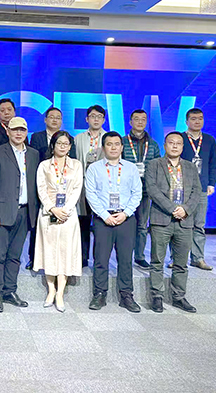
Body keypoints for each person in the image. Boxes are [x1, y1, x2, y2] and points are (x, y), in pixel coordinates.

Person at [0, 117, 39, 313]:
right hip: (1, 213)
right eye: (14, 129)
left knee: (15, 256)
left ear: (26, 132)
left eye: (22, 130)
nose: (18, 133)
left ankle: (10, 291)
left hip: (25, 212)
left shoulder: (33, 154)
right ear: (7, 131)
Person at [85, 131, 142, 313]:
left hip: (126, 218)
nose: (113, 147)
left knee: (125, 259)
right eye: (109, 144)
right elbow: (91, 194)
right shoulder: (94, 168)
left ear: (122, 147)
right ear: (103, 148)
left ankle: (126, 295)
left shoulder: (131, 168)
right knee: (101, 258)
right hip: (103, 219)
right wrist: (104, 215)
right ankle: (99, 294)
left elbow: (137, 193)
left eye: (117, 144)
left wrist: (126, 213)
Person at [145, 132, 201, 313]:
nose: (175, 146)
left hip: (185, 220)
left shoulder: (190, 167)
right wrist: (172, 208)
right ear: (165, 145)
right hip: (161, 219)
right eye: (171, 142)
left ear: (183, 147)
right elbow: (152, 189)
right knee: (157, 261)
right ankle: (157, 296)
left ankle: (178, 297)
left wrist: (185, 209)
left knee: (181, 263)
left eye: (178, 143)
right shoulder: (154, 164)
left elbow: (197, 192)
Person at [33, 131, 83, 313]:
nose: (62, 146)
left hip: (68, 215)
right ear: (53, 145)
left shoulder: (76, 165)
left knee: (65, 252)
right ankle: (51, 290)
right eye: (59, 143)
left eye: (66, 143)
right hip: (48, 213)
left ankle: (60, 292)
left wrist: (65, 210)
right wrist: (52, 208)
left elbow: (76, 189)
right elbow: (41, 189)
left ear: (70, 147)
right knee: (49, 250)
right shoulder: (44, 165)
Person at [26, 106, 76, 270]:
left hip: (63, 188)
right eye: (52, 117)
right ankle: (34, 258)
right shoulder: (37, 137)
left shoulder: (68, 138)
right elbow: (33, 160)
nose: (55, 120)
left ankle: (61, 261)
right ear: (45, 119)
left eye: (58, 118)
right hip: (43, 184)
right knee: (38, 225)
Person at [122, 109, 160, 270]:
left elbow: (158, 167)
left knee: (142, 226)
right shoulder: (122, 142)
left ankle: (139, 256)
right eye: (136, 119)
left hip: (145, 191)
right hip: (125, 192)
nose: (140, 122)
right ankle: (124, 256)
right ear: (130, 122)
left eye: (143, 119)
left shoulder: (153, 145)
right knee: (125, 226)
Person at [180, 108, 216, 271]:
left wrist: (211, 183)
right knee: (180, 225)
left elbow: (213, 163)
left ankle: (198, 258)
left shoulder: (209, 140)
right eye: (194, 118)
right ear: (186, 121)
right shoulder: (180, 138)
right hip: (181, 188)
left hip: (201, 188)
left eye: (200, 118)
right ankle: (177, 258)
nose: (197, 121)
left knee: (199, 225)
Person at [74, 105, 107, 267]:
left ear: (103, 120)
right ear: (87, 119)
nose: (96, 119)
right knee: (83, 222)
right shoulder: (78, 138)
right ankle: (82, 257)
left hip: (103, 186)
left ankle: (99, 258)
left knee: (101, 223)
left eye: (99, 116)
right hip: (82, 184)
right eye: (93, 116)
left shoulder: (109, 138)